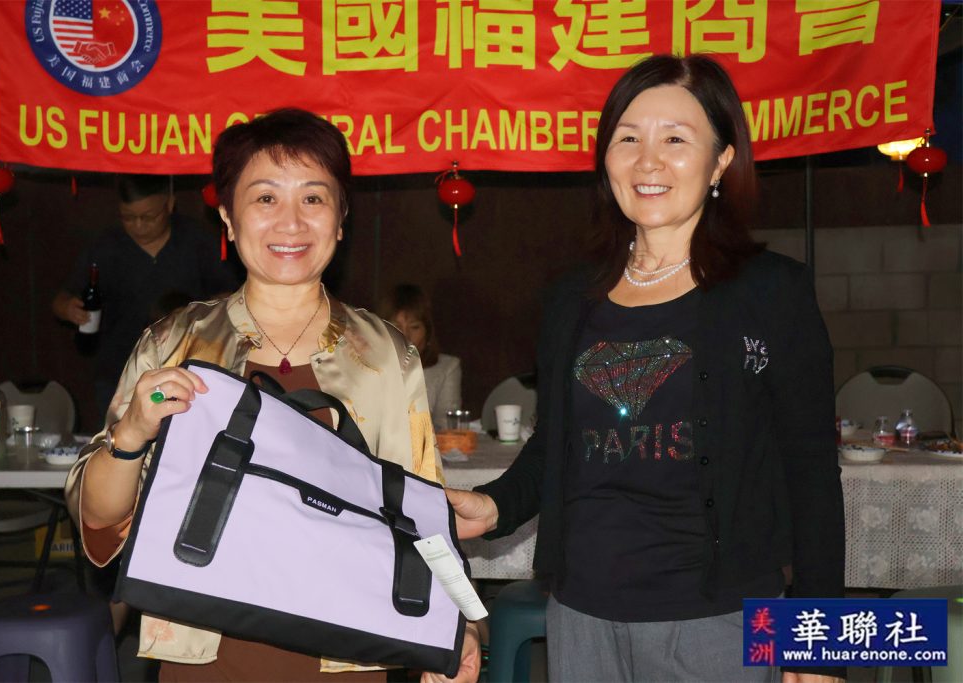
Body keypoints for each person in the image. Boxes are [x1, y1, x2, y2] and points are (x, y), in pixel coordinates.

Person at [447, 55, 845, 683]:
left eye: (676, 140)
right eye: (628, 138)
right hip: (581, 614)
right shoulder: (571, 297)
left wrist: (821, 643)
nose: (647, 161)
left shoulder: (771, 293)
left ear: (721, 161)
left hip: (722, 619)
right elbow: (557, 445)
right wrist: (495, 505)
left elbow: (812, 469)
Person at [63, 109, 479, 683]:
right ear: (228, 219)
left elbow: (423, 509)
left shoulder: (386, 356)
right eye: (265, 198)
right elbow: (98, 520)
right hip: (205, 653)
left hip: (348, 654)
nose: (291, 222)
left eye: (313, 198)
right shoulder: (174, 343)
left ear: (341, 219)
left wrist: (461, 628)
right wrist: (131, 432)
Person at [52, 174, 240, 423]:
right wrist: (69, 309)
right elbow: (60, 301)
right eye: (128, 217)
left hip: (187, 372)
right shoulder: (107, 246)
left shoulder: (196, 240)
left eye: (149, 217)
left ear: (170, 204)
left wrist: (196, 312)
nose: (139, 225)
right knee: (122, 437)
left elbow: (233, 295)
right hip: (119, 371)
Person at [380, 284, 462, 430]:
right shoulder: (365, 364)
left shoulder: (447, 367)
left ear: (427, 332)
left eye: (414, 327)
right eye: (396, 327)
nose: (405, 336)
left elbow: (447, 427)